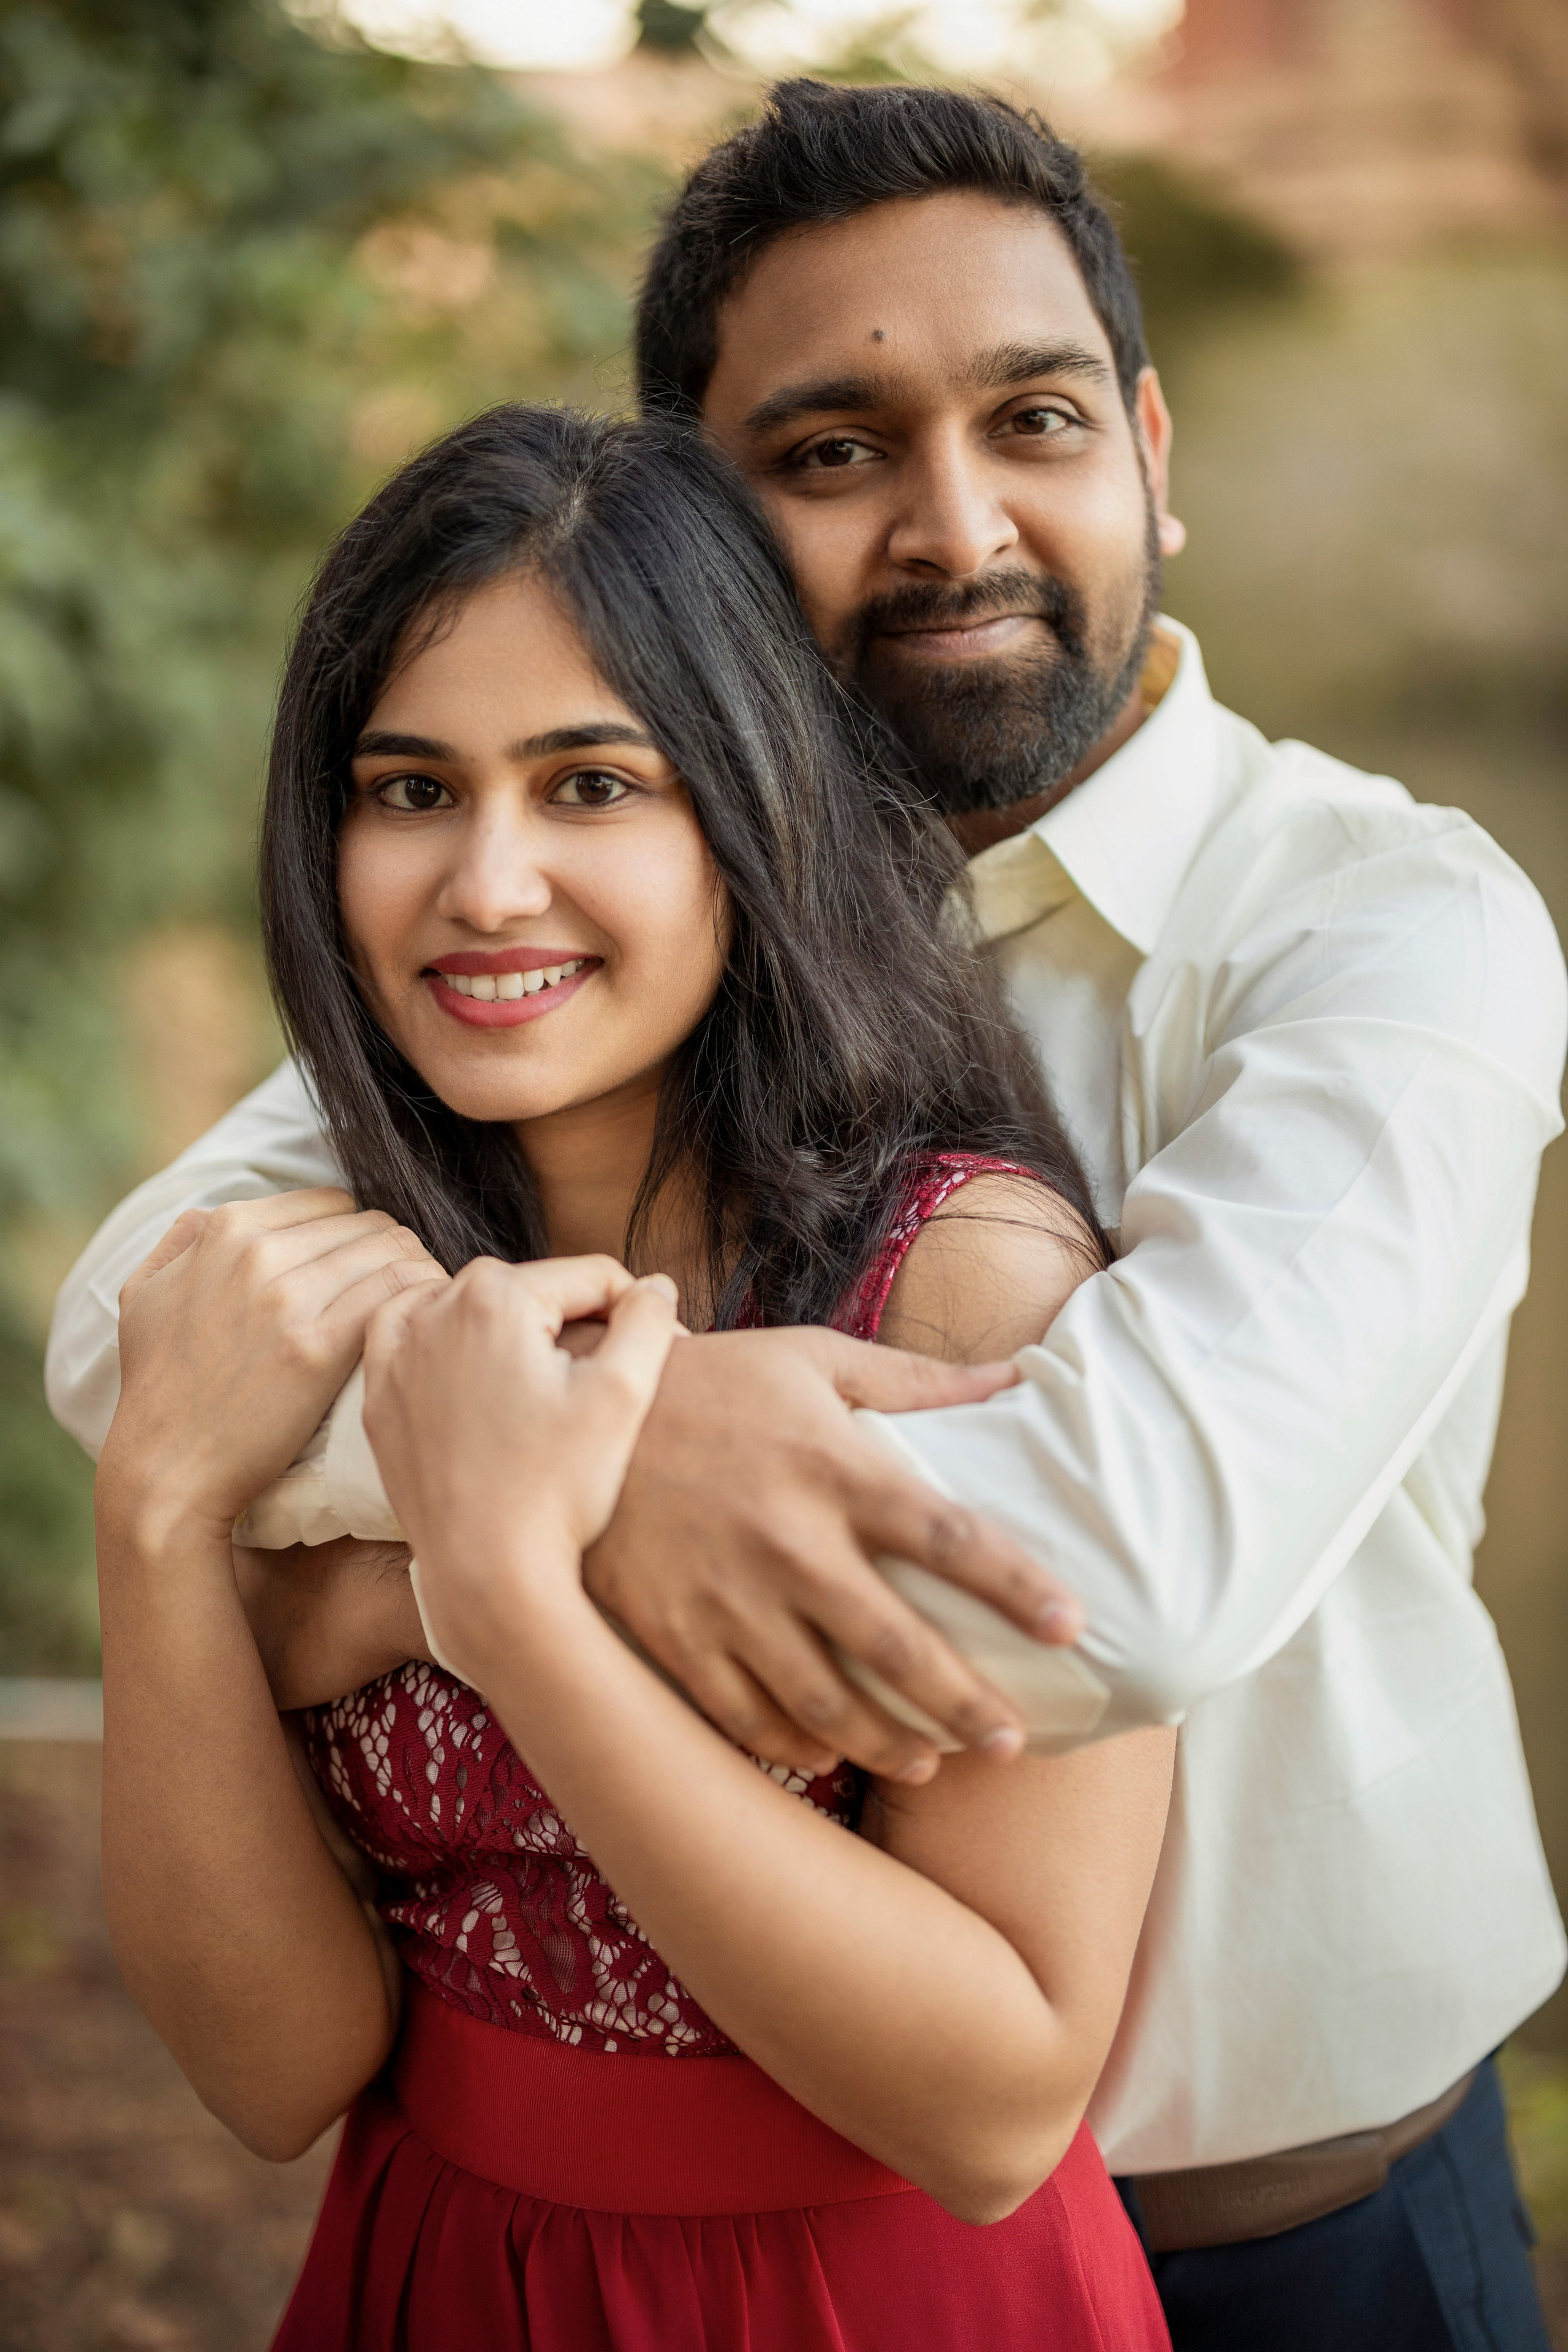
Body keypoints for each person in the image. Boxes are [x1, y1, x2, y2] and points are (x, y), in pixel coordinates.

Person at [54, 80, 1565, 2350]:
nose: (957, 524)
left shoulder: (1384, 931)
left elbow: (1105, 1576)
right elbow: (137, 1327)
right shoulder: (598, 923)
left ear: (1154, 444)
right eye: (835, 449)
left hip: (1273, 2225)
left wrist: (497, 1515)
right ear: (702, 526)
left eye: (1035, 418)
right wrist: (487, 1467)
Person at [94, 402, 1174, 2349]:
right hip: (434, 2269)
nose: (487, 884)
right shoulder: (346, 1287)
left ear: (751, 812)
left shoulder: (961, 1292)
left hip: (859, 2296)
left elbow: (1001, 2100)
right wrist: (159, 1524)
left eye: (592, 786)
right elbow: (274, 2079)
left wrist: (514, 1605)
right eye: (410, 791)